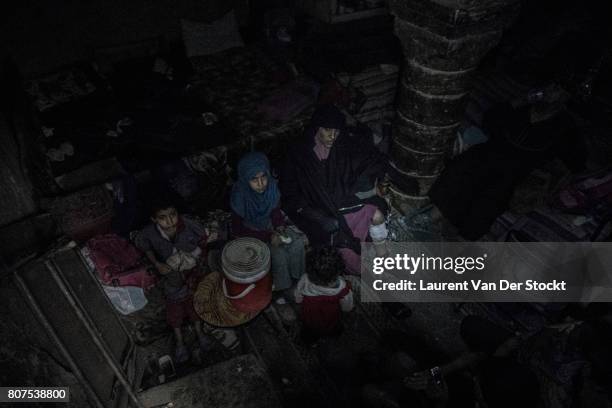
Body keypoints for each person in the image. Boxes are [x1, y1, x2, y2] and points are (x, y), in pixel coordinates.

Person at [420, 83, 587, 240]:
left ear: (565, 97)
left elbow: (576, 163)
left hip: (516, 167)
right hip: (489, 151)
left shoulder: (565, 126)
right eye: (549, 86)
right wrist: (519, 101)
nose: (550, 91)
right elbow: (489, 121)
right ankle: (432, 217)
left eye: (557, 90)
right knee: (467, 166)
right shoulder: (522, 107)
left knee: (495, 191)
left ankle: (461, 239)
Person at [280, 104, 389, 274]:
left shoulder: (340, 147)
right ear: (317, 128)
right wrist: (317, 216)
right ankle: (363, 271)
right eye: (327, 130)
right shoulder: (300, 154)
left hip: (342, 202)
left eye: (336, 132)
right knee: (345, 246)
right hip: (318, 210)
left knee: (377, 214)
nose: (332, 136)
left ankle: (383, 256)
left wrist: (374, 188)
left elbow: (358, 169)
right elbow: (291, 194)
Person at [135, 198, 214, 363]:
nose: (170, 221)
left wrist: (196, 255)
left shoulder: (187, 224)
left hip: (192, 272)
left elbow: (203, 238)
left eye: (173, 215)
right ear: (154, 219)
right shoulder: (149, 233)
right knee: (174, 308)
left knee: (195, 303)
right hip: (171, 276)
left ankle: (200, 333)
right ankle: (179, 342)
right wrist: (157, 264)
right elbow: (145, 246)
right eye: (163, 217)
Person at [230, 151, 306, 295]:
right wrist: (268, 236)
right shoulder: (240, 195)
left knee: (297, 243)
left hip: (270, 226)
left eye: (263, 177)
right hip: (250, 231)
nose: (261, 184)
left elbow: (275, 211)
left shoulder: (271, 186)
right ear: (245, 179)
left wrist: (279, 226)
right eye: (254, 179)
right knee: (278, 255)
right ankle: (283, 289)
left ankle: (297, 279)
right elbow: (237, 229)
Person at [294, 247, 354, 344]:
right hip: (331, 317)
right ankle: (331, 338)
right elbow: (347, 307)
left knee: (309, 332)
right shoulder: (343, 288)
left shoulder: (305, 279)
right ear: (338, 272)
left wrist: (299, 300)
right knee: (333, 329)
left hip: (309, 316)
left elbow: (298, 295)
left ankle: (310, 342)